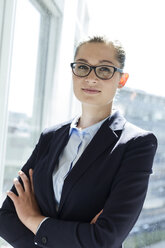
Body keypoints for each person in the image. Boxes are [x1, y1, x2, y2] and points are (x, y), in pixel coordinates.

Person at [0, 36, 157, 248]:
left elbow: (104, 239)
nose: (91, 78)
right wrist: (74, 236)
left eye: (104, 70)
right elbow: (6, 218)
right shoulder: (50, 136)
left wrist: (32, 219)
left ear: (121, 79)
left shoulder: (137, 144)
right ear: (73, 72)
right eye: (83, 67)